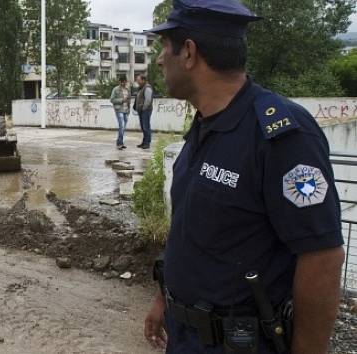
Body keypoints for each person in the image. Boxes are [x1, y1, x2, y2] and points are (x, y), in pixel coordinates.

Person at [144, 1, 345, 353]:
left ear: (188, 52)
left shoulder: (282, 135)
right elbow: (192, 229)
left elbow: (322, 256)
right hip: (185, 335)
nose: (160, 60)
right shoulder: (206, 123)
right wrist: (165, 298)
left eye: (165, 48)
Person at [110, 77, 131, 149]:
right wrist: (122, 100)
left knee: (123, 128)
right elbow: (112, 99)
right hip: (119, 110)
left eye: (124, 82)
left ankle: (120, 142)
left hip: (126, 110)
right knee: (121, 126)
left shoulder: (128, 90)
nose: (123, 83)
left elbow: (129, 100)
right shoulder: (115, 89)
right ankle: (119, 144)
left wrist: (129, 108)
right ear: (119, 82)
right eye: (122, 82)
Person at [134, 74, 154, 149]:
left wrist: (143, 108)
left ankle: (147, 143)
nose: (137, 82)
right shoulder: (141, 88)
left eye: (139, 80)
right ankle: (144, 142)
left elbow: (148, 100)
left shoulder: (147, 88)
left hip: (145, 110)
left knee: (146, 127)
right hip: (141, 110)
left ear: (143, 80)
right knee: (143, 127)